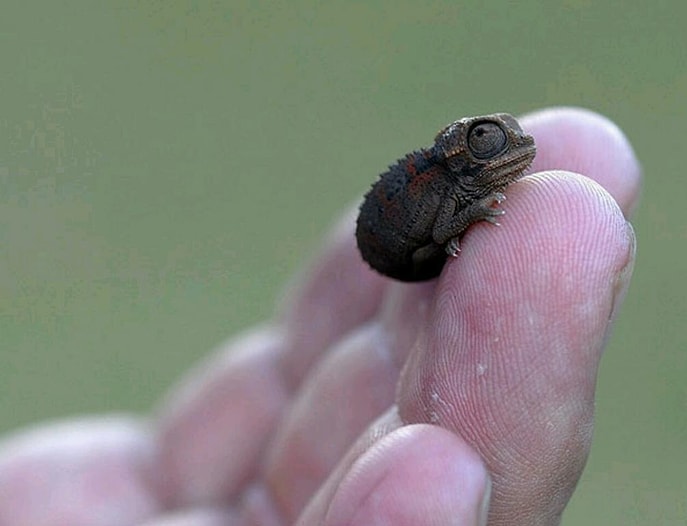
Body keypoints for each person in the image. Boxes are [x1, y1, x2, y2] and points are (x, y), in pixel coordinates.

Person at [0, 107, 640, 526]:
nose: (511, 152)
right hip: (393, 244)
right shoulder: (448, 185)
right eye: (488, 142)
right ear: (461, 154)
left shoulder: (454, 179)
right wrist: (466, 222)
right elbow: (445, 222)